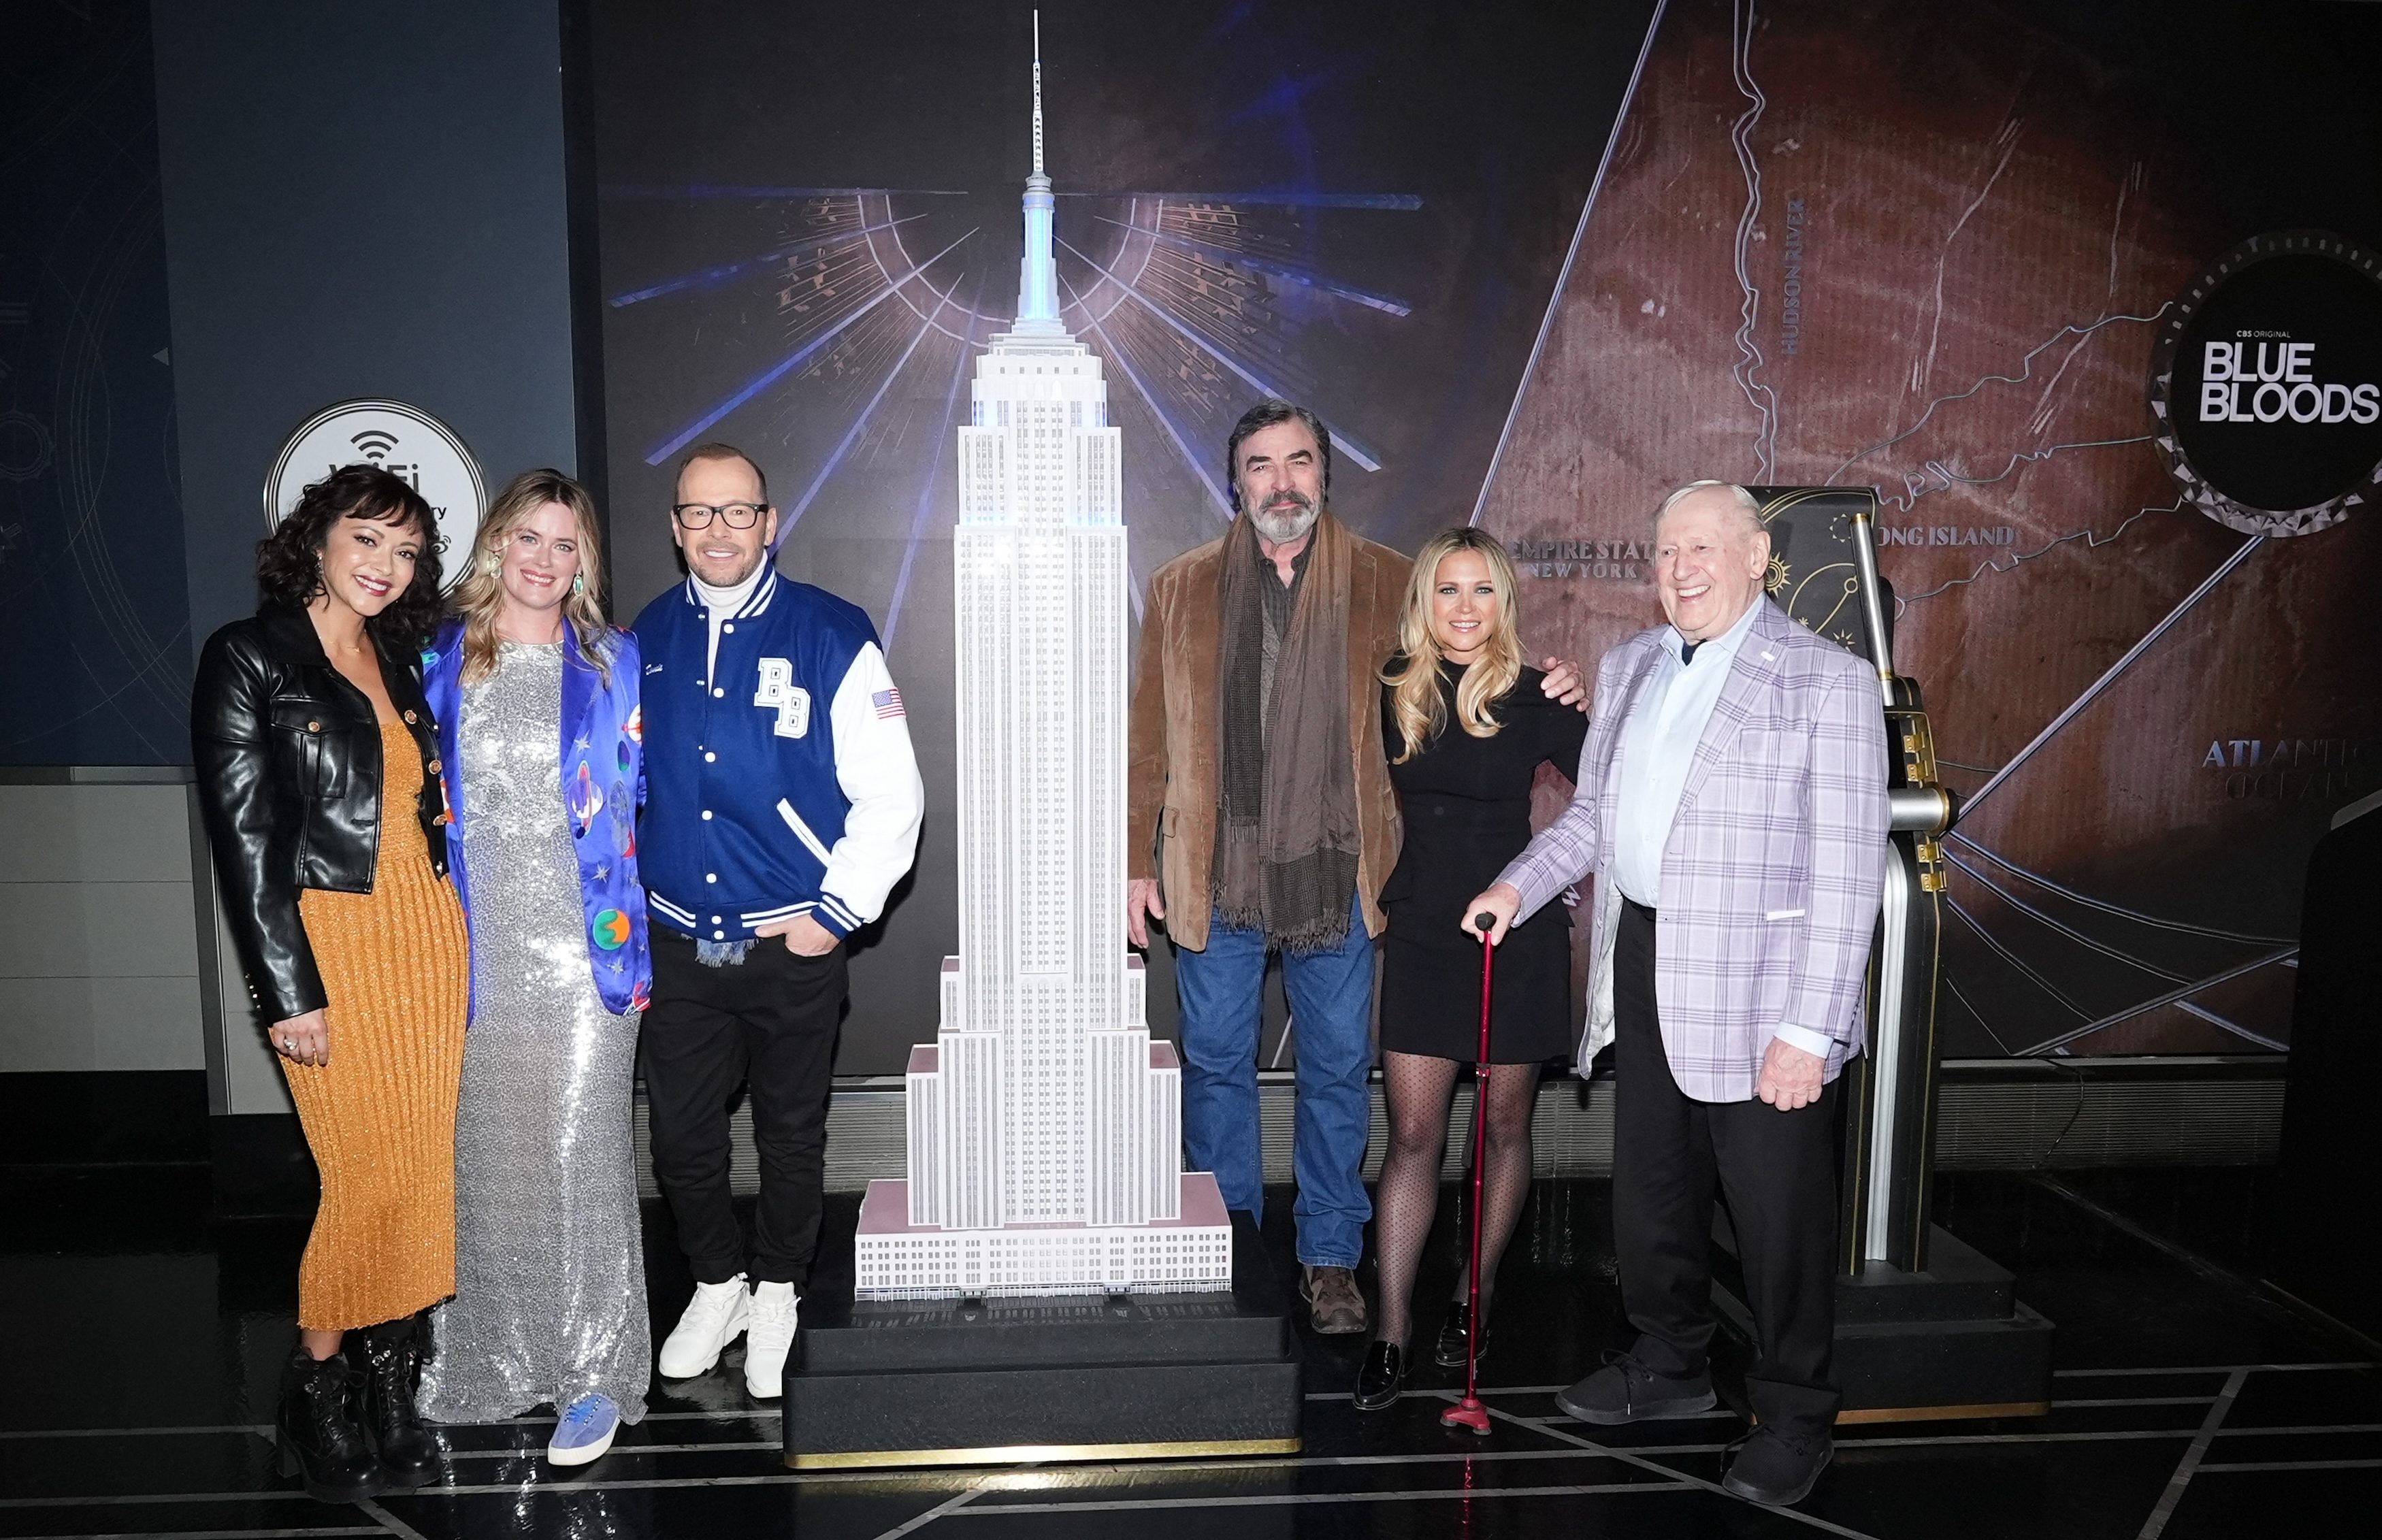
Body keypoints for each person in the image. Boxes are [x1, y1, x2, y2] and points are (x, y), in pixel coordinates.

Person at [1466, 480, 1887, 1508]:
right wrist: (1515, 887)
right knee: (1653, 1189)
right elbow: (1597, 820)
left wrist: (1809, 1028)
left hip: (1765, 988)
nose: (1681, 568)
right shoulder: (1632, 666)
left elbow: (1847, 872)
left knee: (1778, 1216)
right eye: (1664, 552)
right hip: (1647, 958)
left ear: (1757, 559)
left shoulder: (1826, 682)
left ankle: (1792, 1414)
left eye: (1703, 548)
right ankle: (1671, 1366)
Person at [1125, 399, 1586, 1335]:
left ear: (1324, 476)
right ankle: (1231, 1245)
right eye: (1262, 465)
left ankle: (1331, 1261)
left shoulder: (1387, 581)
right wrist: (1139, 861)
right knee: (1214, 1066)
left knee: (1337, 1071)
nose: (1282, 482)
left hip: (1343, 871)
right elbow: (1147, 739)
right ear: (1237, 481)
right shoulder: (1179, 587)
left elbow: (1465, 671)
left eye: (1299, 462)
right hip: (1213, 868)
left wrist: (1557, 684)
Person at [191, 465, 467, 1504]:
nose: (386, 568)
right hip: (328, 945)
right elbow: (244, 840)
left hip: (428, 942)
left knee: (421, 1172)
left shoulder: (399, 657)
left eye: (406, 553)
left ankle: (392, 1390)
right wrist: (284, 990)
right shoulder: (248, 657)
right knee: (362, 1178)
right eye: (367, 540)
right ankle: (316, 1386)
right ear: (315, 540)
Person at [633, 441, 925, 1400]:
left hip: (791, 943)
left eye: (738, 511)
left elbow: (895, 797)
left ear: (770, 521)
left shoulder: (831, 632)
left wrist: (832, 917)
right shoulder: (646, 637)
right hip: (686, 941)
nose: (719, 531)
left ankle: (780, 1289)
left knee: (791, 1133)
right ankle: (717, 1285)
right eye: (699, 514)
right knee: (680, 1138)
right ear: (677, 529)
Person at [415, 469, 653, 1467]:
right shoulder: (437, 659)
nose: (544, 561)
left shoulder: (609, 659)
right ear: (495, 545)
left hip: (588, 956)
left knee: (580, 1156)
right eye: (528, 538)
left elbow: (638, 802)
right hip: (475, 955)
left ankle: (595, 1375)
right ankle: (499, 1359)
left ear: (582, 561)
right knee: (490, 1162)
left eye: (565, 545)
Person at [1356, 528, 1586, 1411]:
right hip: (1422, 931)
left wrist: (1546, 885)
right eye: (1448, 590)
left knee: (1503, 1133)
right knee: (1413, 1135)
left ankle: (1472, 1301)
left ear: (1503, 605)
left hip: (1515, 932)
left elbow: (1608, 805)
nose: (1463, 608)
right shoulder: (1391, 690)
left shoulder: (1538, 696)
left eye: (1481, 591)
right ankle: (1391, 1329)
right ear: (1425, 601)